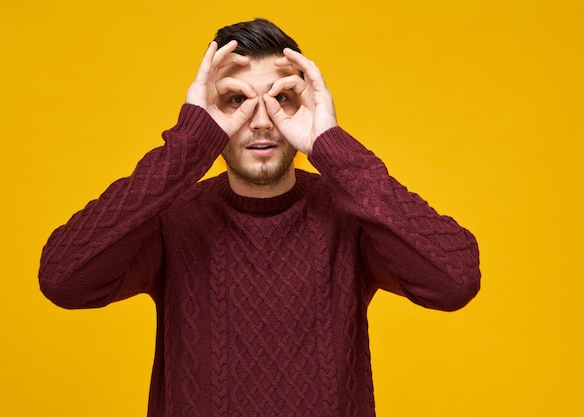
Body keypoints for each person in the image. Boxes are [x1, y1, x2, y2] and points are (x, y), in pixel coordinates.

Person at [39, 18, 481, 417]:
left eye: (282, 99)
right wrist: (189, 144)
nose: (262, 121)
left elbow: (456, 279)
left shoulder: (350, 211)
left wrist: (332, 146)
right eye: (236, 100)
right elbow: (63, 279)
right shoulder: (174, 219)